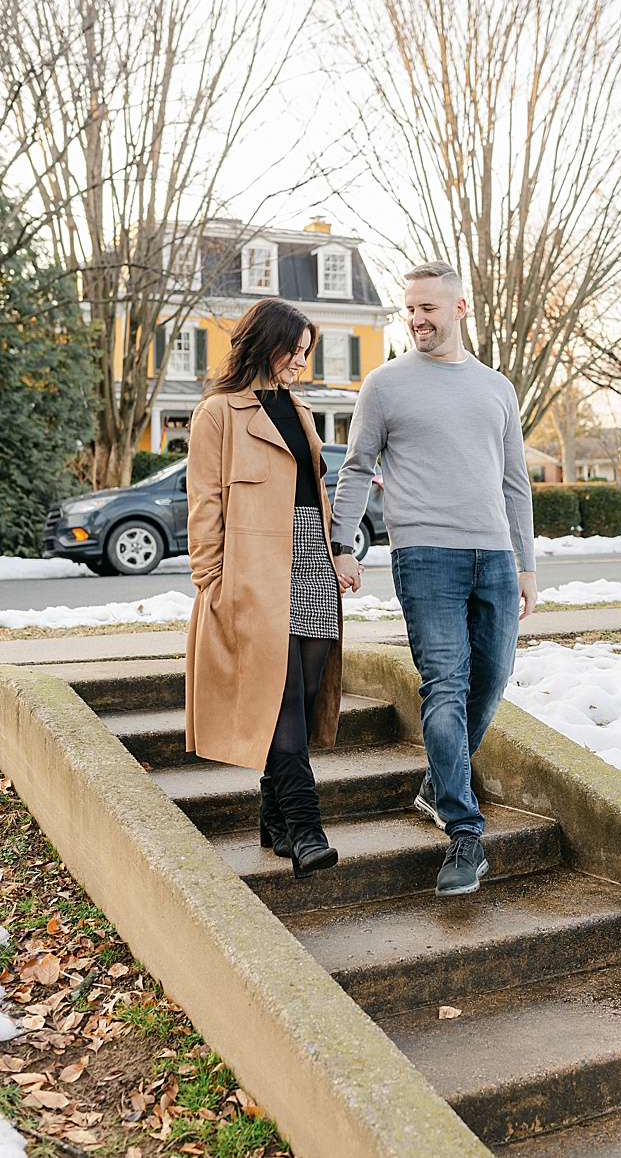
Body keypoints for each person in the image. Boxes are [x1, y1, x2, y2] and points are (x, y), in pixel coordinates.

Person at [330, 261, 537, 897]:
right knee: (445, 685)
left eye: (429, 309)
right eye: (410, 310)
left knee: (493, 677)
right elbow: (357, 467)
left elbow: (514, 480)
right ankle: (464, 833)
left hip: (495, 559)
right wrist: (340, 543)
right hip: (426, 559)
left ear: (460, 308)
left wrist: (526, 563)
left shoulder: (497, 387)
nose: (418, 320)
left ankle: (438, 780)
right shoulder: (386, 385)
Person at [186, 298, 347, 879]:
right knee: (278, 697)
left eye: (308, 352)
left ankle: (272, 820)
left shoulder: (300, 410)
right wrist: (212, 581)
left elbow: (313, 496)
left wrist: (334, 556)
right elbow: (204, 505)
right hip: (253, 575)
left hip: (309, 561)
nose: (302, 361)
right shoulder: (217, 413)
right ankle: (306, 829)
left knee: (301, 694)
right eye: (294, 350)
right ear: (264, 342)